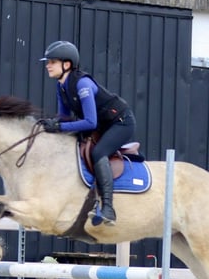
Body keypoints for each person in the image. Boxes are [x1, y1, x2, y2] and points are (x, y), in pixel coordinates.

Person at [39, 40, 136, 226]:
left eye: (52, 62)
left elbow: (91, 122)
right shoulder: (61, 85)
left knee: (98, 152)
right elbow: (64, 118)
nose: (47, 65)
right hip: (101, 125)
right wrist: (51, 124)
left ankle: (108, 208)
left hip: (121, 123)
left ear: (66, 64)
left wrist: (60, 127)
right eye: (47, 62)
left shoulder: (82, 84)